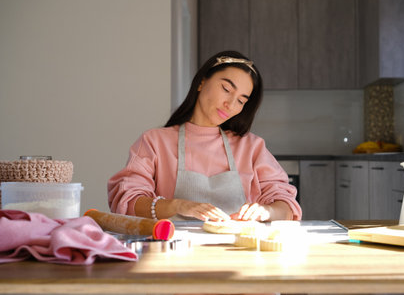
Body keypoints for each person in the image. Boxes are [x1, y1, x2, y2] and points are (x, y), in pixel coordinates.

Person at [108, 50, 302, 222]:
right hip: (172, 254)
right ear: (202, 81)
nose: (231, 104)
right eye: (226, 89)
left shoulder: (251, 147)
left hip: (237, 255)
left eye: (241, 100)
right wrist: (179, 206)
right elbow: (128, 200)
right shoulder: (154, 142)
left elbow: (287, 207)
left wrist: (266, 211)